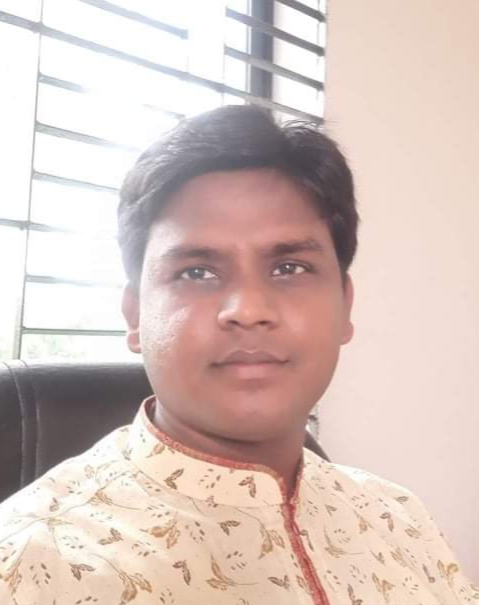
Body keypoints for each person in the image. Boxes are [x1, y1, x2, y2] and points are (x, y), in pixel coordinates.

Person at [0, 105, 476, 605]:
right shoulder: (30, 566)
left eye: (290, 267)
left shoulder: (398, 517)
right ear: (135, 315)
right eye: (197, 272)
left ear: (345, 305)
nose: (248, 310)